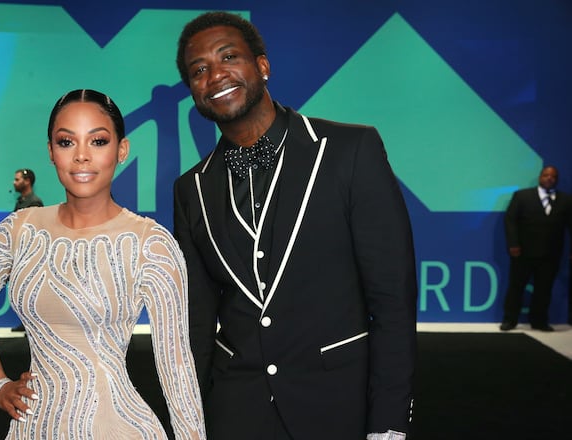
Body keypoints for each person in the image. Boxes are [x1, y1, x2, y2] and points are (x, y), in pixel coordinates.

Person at [172, 12, 417, 440]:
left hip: (338, 404)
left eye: (228, 57)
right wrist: (187, 421)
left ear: (262, 66)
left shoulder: (350, 151)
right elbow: (196, 323)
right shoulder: (190, 188)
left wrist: (389, 421)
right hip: (235, 408)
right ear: (193, 91)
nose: (215, 75)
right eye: (199, 70)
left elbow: (393, 301)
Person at [0, 89, 206, 439]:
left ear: (122, 150)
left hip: (115, 427)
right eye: (66, 142)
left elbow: (177, 366)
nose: (82, 156)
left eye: (98, 141)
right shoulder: (20, 230)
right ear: (51, 152)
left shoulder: (150, 243)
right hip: (32, 427)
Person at [500, 165, 571, 332]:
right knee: (516, 287)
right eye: (546, 175)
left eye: (553, 176)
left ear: (557, 180)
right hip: (523, 252)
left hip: (551, 254)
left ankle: (539, 321)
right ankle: (510, 320)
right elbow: (510, 220)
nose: (549, 178)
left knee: (544, 289)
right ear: (540, 177)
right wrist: (513, 244)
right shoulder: (522, 196)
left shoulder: (566, 200)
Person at [10, 168, 44, 332]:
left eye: (17, 180)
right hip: (22, 253)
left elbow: (36, 230)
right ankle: (27, 323)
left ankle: (35, 326)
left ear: (27, 181)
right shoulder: (21, 202)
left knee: (33, 290)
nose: (14, 183)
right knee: (23, 290)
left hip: (32, 254)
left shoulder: (34, 203)